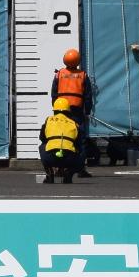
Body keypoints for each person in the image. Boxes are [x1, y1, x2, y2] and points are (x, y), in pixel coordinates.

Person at [49, 46, 95, 178]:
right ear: (78, 61)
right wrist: (88, 110)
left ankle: (59, 167)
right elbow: (88, 95)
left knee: (61, 138)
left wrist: (55, 107)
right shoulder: (82, 75)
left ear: (65, 60)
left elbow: (53, 93)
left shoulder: (59, 74)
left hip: (61, 111)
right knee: (79, 140)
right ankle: (80, 169)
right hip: (77, 111)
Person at [39, 98, 81, 185]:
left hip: (50, 157)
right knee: (80, 151)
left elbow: (42, 138)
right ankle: (68, 175)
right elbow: (79, 143)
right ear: (68, 111)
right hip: (69, 159)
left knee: (42, 146)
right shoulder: (74, 123)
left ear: (54, 110)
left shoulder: (48, 120)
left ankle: (50, 175)